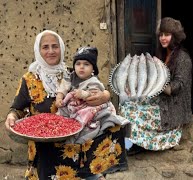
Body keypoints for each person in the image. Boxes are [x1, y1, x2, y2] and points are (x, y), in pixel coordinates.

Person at [4, 30, 127, 180]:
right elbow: (17, 108)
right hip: (44, 149)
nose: (51, 51)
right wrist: (11, 116)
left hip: (74, 146)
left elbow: (95, 87)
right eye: (45, 47)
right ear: (38, 50)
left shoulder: (72, 72)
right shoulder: (29, 79)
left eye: (55, 46)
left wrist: (105, 95)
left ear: (61, 48)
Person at [122, 17, 193, 154]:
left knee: (133, 112)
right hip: (161, 100)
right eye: (161, 35)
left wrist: (156, 83)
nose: (163, 38)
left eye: (167, 34)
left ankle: (138, 144)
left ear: (175, 36)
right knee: (127, 104)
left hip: (173, 106)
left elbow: (176, 87)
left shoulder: (183, 58)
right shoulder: (163, 54)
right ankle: (133, 142)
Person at [56, 46, 129, 144]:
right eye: (78, 64)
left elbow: (93, 95)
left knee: (87, 117)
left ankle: (81, 134)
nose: (81, 67)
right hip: (74, 106)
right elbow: (63, 87)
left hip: (88, 105)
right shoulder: (71, 76)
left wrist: (83, 94)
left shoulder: (94, 81)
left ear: (93, 69)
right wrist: (59, 97)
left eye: (86, 64)